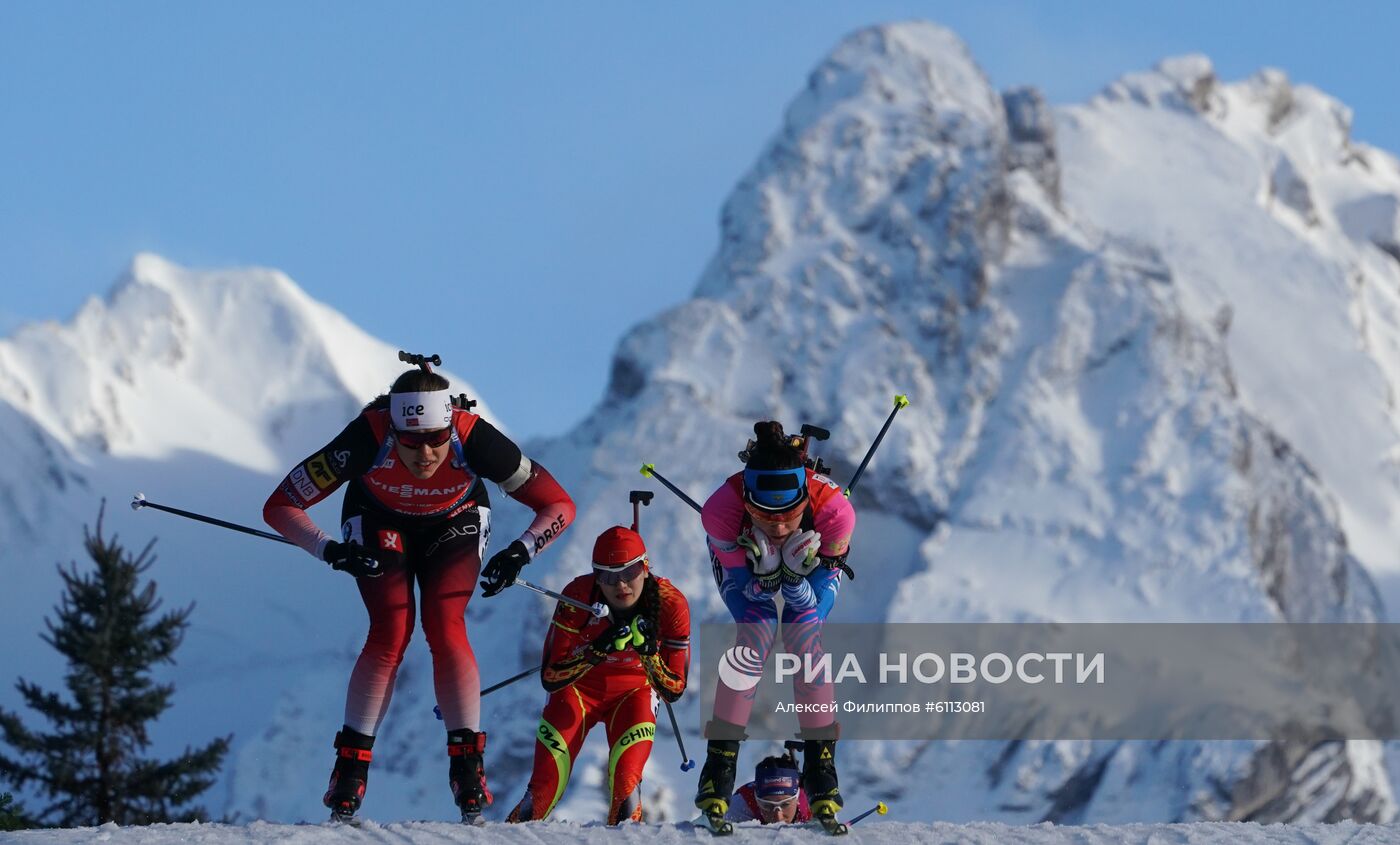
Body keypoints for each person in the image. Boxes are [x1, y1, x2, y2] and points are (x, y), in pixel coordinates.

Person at [262, 367, 575, 823]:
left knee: (445, 625)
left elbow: (559, 504)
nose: (426, 453)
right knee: (390, 630)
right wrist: (329, 550)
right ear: (392, 427)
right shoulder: (365, 437)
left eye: (436, 438)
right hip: (376, 518)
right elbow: (280, 506)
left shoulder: (476, 439)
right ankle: (349, 772)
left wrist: (520, 552)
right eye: (411, 442)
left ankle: (467, 769)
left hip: (457, 518)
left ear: (452, 423)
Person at [694, 421, 856, 822]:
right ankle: (719, 768)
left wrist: (796, 581)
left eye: (790, 514)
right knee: (756, 633)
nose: (780, 527)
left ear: (806, 499)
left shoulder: (836, 514)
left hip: (815, 557)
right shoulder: (720, 513)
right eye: (766, 516)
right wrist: (766, 582)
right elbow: (748, 597)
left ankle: (821, 771)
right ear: (747, 503)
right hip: (745, 562)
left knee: (804, 638)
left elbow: (811, 611)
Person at [507, 525, 690, 825]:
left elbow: (674, 689)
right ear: (595, 576)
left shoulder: (671, 603)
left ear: (645, 567)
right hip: (578, 692)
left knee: (627, 786)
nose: (620, 585)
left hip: (634, 694)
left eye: (629, 572)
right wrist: (598, 649)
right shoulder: (577, 596)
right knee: (542, 789)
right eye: (606, 576)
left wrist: (648, 654)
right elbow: (551, 677)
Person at [726, 754, 812, 825]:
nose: (778, 817)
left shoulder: (811, 801)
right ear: (756, 800)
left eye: (786, 804)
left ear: (797, 797)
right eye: (767, 806)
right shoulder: (740, 805)